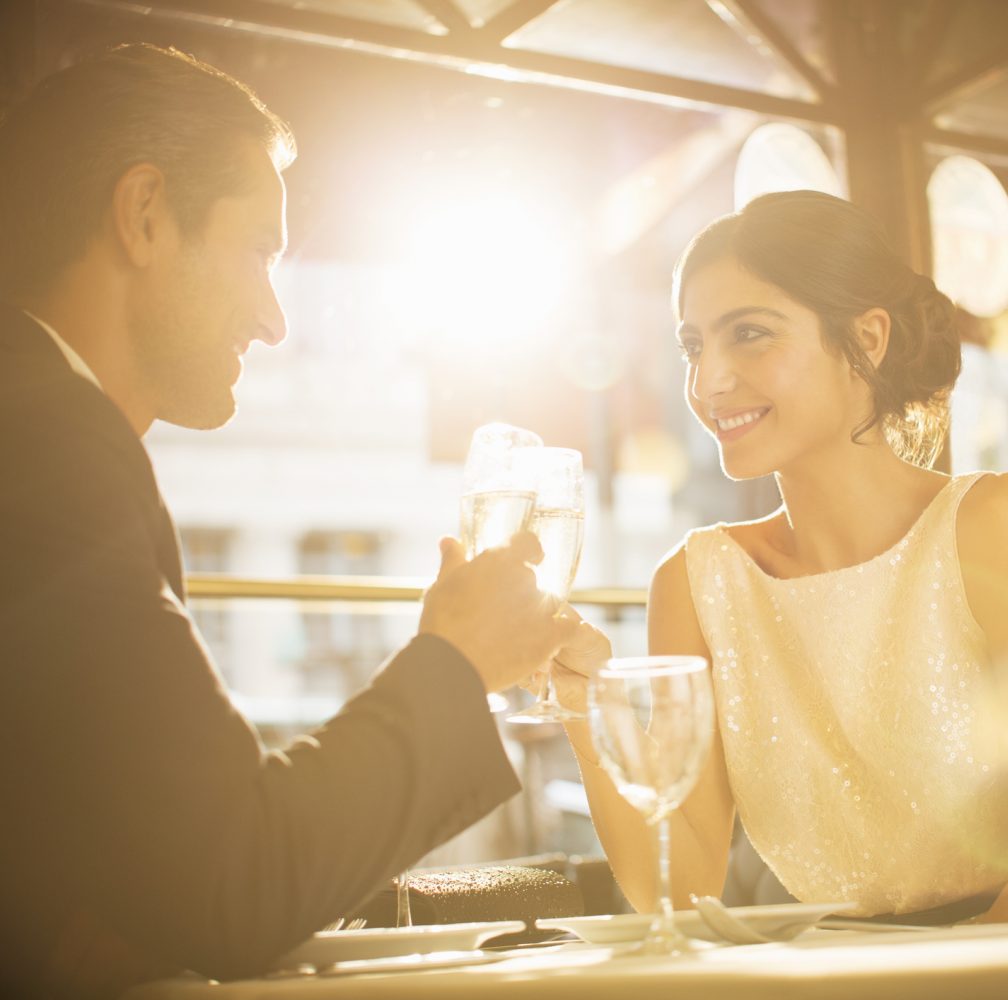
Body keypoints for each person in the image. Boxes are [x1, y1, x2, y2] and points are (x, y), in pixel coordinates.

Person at [0, 44, 591, 998]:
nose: (275, 320)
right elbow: (234, 878)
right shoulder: (43, 449)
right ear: (145, 214)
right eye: (259, 251)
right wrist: (459, 663)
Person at [554, 191, 1008, 925]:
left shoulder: (992, 526)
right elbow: (680, 887)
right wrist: (581, 702)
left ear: (869, 337)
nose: (709, 382)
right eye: (695, 347)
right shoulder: (696, 584)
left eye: (751, 334)